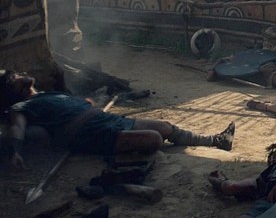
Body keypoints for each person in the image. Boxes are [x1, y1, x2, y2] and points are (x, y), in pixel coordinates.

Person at [0, 69, 235, 168]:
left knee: (164, 127)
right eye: (14, 78)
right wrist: (15, 152)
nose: (20, 75)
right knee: (154, 139)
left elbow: (81, 104)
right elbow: (17, 127)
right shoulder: (21, 106)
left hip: (104, 119)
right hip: (89, 133)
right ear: (12, 90)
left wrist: (86, 102)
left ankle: (216, 140)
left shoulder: (48, 94)